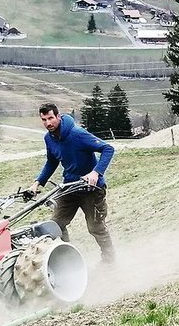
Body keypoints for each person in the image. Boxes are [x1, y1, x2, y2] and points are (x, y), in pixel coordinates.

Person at [30, 101, 116, 262]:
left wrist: (95, 172)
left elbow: (108, 149)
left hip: (91, 189)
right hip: (70, 188)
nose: (48, 123)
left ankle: (110, 261)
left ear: (58, 116)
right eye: (44, 120)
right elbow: (52, 161)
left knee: (96, 227)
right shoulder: (49, 138)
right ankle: (69, 261)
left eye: (50, 118)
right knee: (55, 225)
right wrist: (38, 182)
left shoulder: (77, 134)